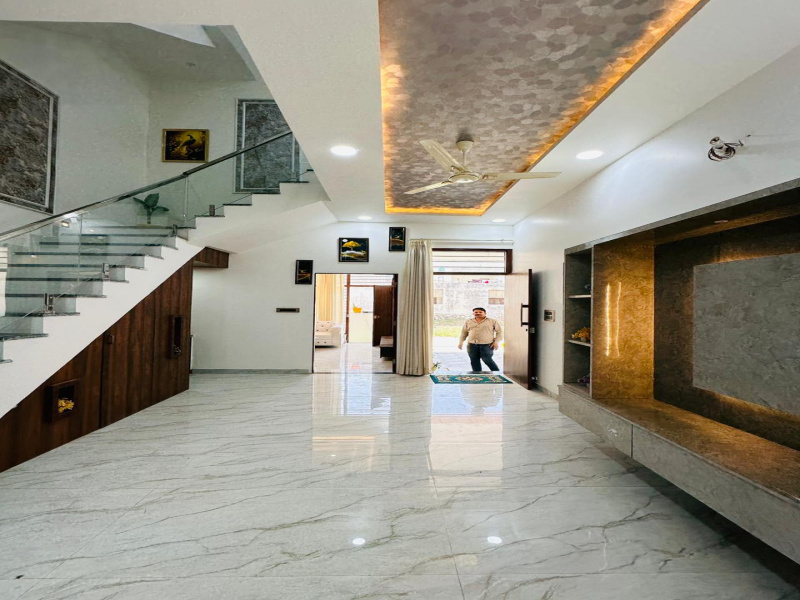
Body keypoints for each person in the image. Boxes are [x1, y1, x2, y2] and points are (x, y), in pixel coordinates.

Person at [457, 307, 503, 373]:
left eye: (480, 312)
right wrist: (460, 342)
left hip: (487, 345)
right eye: (476, 312)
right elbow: (464, 332)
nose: (478, 313)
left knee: (487, 360)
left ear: (485, 313)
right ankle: (477, 375)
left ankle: (497, 373)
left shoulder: (492, 321)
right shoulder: (469, 321)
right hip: (472, 345)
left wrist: (496, 342)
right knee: (474, 361)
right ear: (473, 313)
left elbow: (499, 332)